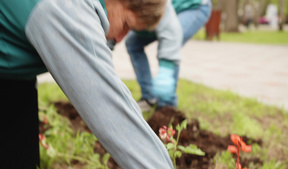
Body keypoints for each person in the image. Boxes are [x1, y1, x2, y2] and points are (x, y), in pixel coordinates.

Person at [0, 0, 175, 168]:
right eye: (126, 24)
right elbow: (110, 108)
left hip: (13, 79)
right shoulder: (65, 9)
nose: (121, 38)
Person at [125, 0, 212, 112]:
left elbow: (171, 36)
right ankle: (149, 98)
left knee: (170, 44)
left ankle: (167, 105)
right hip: (169, 7)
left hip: (192, 6)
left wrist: (165, 71)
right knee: (133, 43)